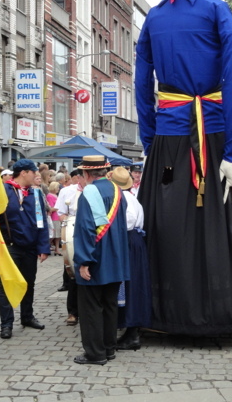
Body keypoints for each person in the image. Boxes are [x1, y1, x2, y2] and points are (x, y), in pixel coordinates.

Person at [134, 0, 232, 335]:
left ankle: (160, 309)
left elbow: (142, 85)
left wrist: (150, 141)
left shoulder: (155, 16)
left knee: (164, 220)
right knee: (228, 220)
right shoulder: (216, 9)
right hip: (214, 134)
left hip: (170, 139)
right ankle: (227, 308)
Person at [72, 156, 129, 365]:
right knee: (110, 305)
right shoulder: (118, 191)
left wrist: (84, 261)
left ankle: (96, 353)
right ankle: (109, 348)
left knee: (91, 308)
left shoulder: (89, 192)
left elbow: (85, 228)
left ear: (87, 173)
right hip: (116, 258)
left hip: (96, 257)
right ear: (105, 171)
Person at [0, 159, 50, 339]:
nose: (36, 175)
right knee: (7, 285)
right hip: (9, 246)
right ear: (24, 173)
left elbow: (42, 222)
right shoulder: (4, 191)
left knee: (28, 283)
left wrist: (43, 247)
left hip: (30, 247)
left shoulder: (36, 193)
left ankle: (27, 316)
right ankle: (6, 324)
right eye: (34, 172)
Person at [110, 167, 152, 350]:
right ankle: (130, 329)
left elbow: (128, 221)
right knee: (132, 285)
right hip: (134, 241)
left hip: (128, 241)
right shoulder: (131, 197)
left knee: (129, 285)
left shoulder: (124, 198)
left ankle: (132, 332)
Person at [55, 169, 84, 325]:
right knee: (73, 273)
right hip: (73, 235)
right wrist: (70, 222)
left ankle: (88, 311)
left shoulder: (94, 190)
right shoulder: (66, 191)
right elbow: (61, 213)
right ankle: (73, 312)